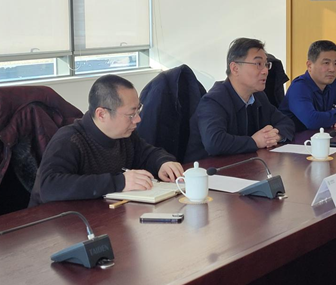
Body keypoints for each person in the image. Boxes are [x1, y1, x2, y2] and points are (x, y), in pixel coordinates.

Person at [29, 75, 184, 207]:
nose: (138, 119)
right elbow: (49, 187)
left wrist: (163, 163)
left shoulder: (124, 135)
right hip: (52, 224)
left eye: (138, 109)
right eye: (131, 114)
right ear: (102, 114)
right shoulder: (69, 140)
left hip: (99, 216)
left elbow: (147, 154)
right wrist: (120, 182)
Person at [184, 38, 295, 162]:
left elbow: (286, 122)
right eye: (258, 64)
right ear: (235, 68)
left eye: (266, 65)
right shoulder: (213, 101)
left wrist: (275, 135)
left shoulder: (258, 96)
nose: (265, 71)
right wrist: (255, 142)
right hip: (207, 170)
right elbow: (214, 142)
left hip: (244, 165)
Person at [279, 40, 336, 132]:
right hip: (296, 138)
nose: (332, 69)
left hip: (320, 136)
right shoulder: (299, 87)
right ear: (309, 65)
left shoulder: (333, 84)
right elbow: (312, 121)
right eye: (326, 63)